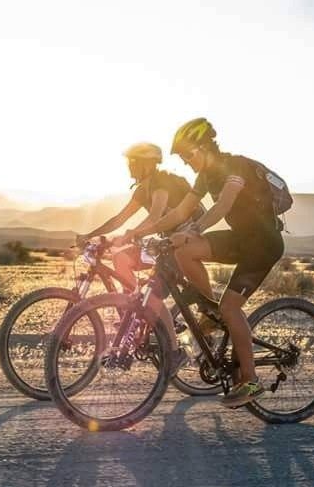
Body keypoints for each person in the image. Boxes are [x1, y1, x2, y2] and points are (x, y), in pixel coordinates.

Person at [115, 118, 285, 408]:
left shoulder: (234, 166)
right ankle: (209, 307)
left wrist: (192, 230)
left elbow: (223, 206)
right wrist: (146, 233)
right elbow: (181, 211)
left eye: (188, 155)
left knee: (231, 306)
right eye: (182, 158)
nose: (186, 162)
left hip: (263, 245)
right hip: (240, 239)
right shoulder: (204, 178)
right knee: (184, 251)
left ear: (205, 148)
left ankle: (251, 379)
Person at [77, 142, 194, 370]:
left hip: (183, 244)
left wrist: (132, 234)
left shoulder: (161, 182)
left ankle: (174, 352)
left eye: (133, 162)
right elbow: (119, 219)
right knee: (120, 258)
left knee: (153, 296)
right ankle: (135, 308)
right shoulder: (143, 189)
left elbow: (155, 216)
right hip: (161, 245)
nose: (129, 167)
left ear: (147, 165)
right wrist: (90, 235)